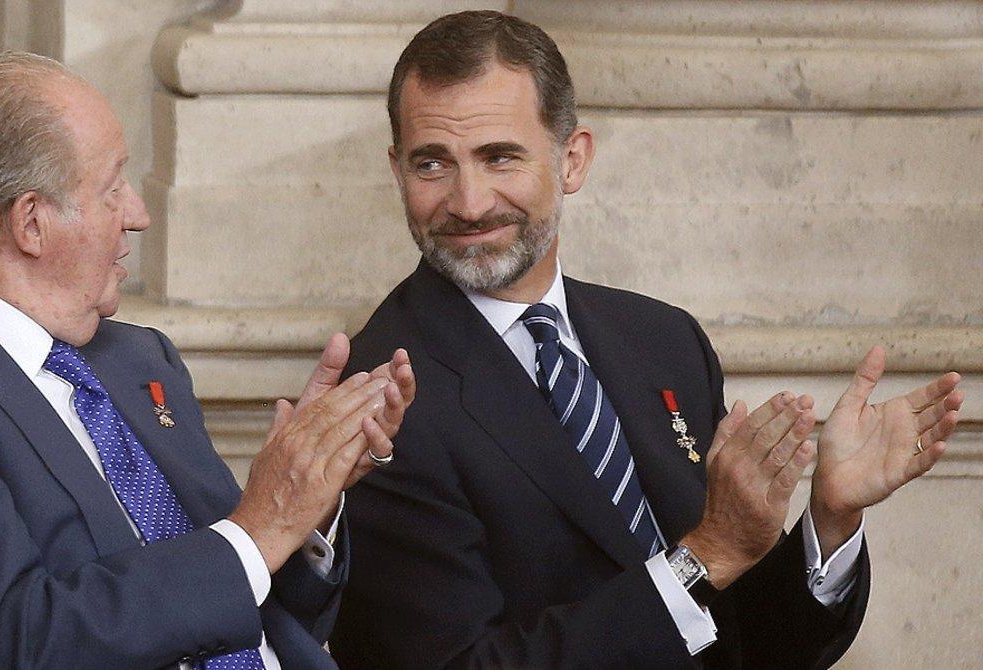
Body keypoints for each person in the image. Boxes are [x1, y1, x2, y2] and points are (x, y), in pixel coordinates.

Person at [329, 11, 962, 669]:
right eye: (433, 163)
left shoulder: (663, 339)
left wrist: (829, 522)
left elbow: (751, 644)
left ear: (571, 160)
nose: (467, 201)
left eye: (499, 157)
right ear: (398, 169)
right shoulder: (381, 395)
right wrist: (706, 556)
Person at [0, 52, 415, 670]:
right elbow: (16, 642)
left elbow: (254, 604)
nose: (139, 215)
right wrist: (260, 528)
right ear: (32, 223)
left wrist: (309, 494)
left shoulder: (137, 358)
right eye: (112, 187)